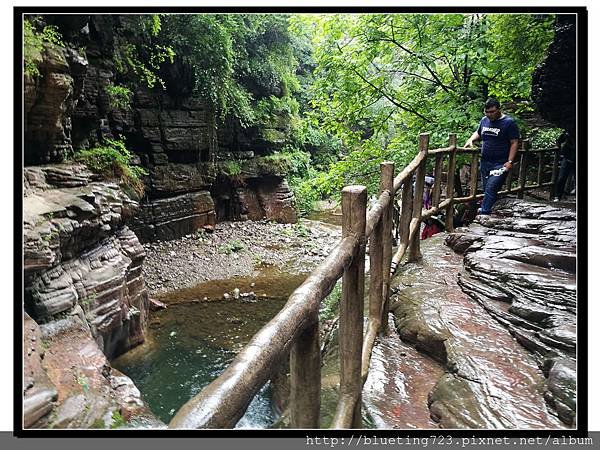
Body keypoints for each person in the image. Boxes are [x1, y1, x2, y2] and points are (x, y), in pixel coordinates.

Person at [464, 98, 520, 215]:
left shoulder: (509, 123)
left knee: (491, 187)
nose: (489, 115)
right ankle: (492, 210)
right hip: (485, 161)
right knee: (487, 190)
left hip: (500, 163)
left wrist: (510, 161)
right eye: (487, 112)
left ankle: (484, 213)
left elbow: (514, 142)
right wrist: (471, 140)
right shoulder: (484, 120)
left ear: (499, 109)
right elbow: (478, 132)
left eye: (492, 112)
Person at [554, 131, 576, 201]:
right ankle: (557, 196)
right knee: (561, 177)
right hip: (567, 158)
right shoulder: (568, 132)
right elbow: (559, 140)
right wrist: (559, 149)